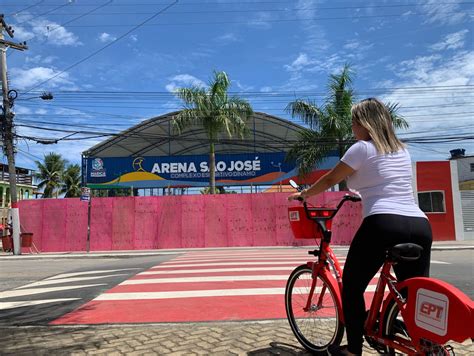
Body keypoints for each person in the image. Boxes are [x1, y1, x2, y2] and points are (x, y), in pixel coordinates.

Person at [288, 98, 432, 356]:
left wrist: (305, 194)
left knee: (352, 287)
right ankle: (425, 343)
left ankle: (353, 349)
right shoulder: (401, 149)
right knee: (413, 292)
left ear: (366, 124)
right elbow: (383, 180)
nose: (352, 127)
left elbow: (332, 177)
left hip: (383, 223)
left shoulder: (361, 148)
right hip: (420, 224)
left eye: (355, 122)